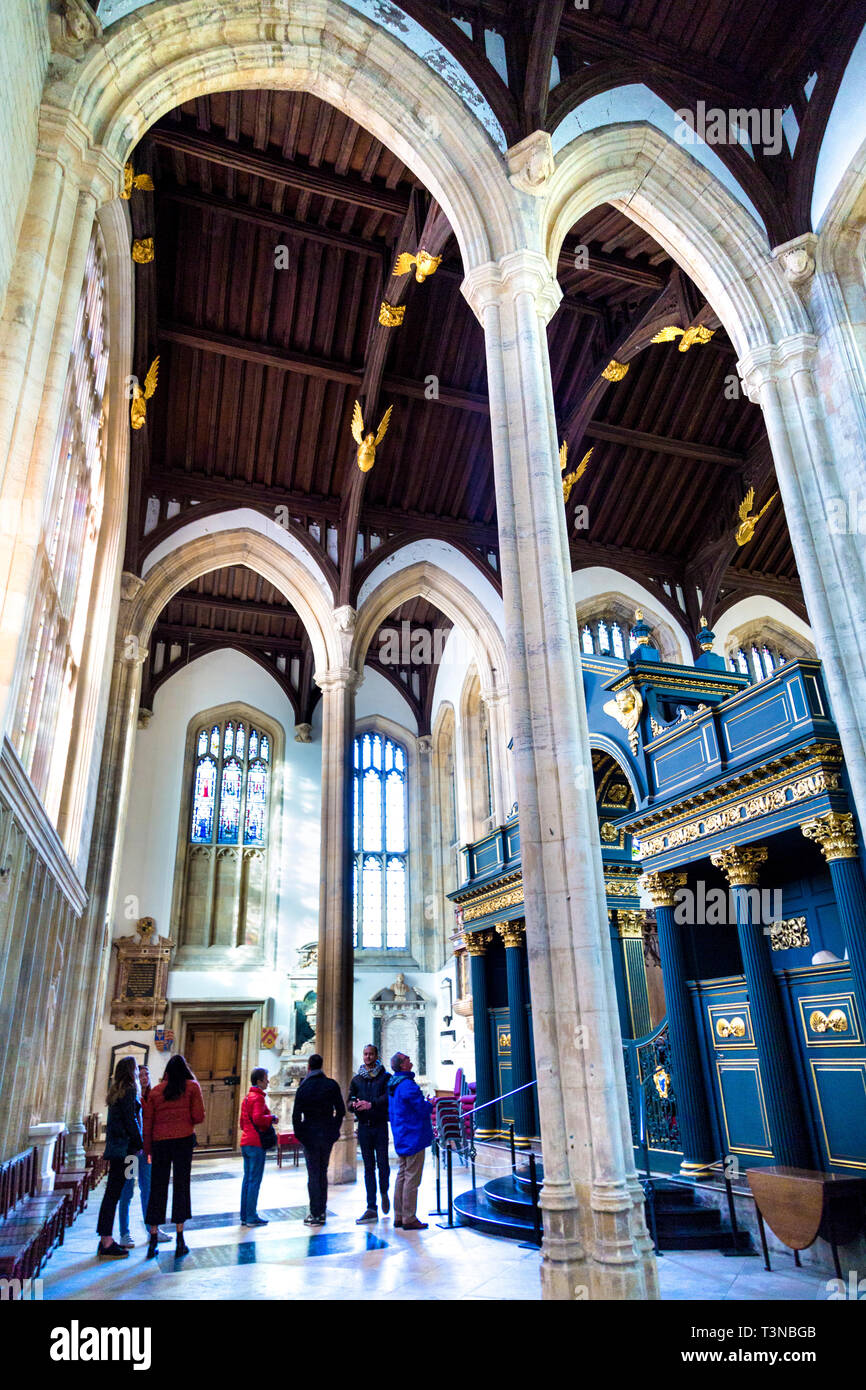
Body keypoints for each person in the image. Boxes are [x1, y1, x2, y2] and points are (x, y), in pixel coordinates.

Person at [143, 1054, 205, 1259]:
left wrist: (148, 1150)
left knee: (157, 1188)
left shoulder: (155, 1091)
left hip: (160, 1143)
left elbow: (148, 1123)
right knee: (181, 1186)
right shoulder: (192, 1087)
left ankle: (153, 1239)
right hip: (183, 1141)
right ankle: (180, 1238)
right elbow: (199, 1116)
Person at [95, 1056, 142, 1259]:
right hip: (126, 1150)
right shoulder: (130, 1089)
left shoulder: (117, 1091)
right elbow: (131, 1119)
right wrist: (140, 1142)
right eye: (137, 1069)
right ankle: (107, 1240)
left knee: (112, 1194)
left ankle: (106, 1237)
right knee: (117, 1192)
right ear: (131, 1072)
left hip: (117, 1149)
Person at [292, 1053, 345, 1226]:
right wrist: (334, 1129)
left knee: (313, 1174)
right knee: (322, 1172)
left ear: (309, 1066)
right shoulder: (331, 1085)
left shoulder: (304, 1087)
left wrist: (301, 1134)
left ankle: (315, 1213)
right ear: (322, 1066)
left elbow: (296, 1115)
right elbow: (341, 1111)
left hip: (310, 1136)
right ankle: (321, 1211)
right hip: (326, 1135)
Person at [387, 1052, 433, 1231]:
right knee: (412, 1178)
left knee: (402, 1175)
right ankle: (409, 1217)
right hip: (413, 1135)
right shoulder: (407, 1085)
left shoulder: (393, 1083)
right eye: (407, 1059)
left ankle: (398, 1215)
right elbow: (421, 1108)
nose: (410, 1061)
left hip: (401, 1134)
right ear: (402, 1065)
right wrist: (429, 1103)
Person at [347, 1044, 390, 1223]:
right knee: (368, 1167)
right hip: (364, 1127)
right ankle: (371, 1207)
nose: (368, 1057)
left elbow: (388, 1097)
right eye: (365, 1054)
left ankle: (384, 1191)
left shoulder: (385, 1077)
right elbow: (349, 1100)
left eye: (371, 1054)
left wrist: (371, 1104)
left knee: (383, 1163)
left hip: (379, 1126)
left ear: (376, 1055)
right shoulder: (357, 1080)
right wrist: (354, 1105)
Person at [239, 1067, 278, 1226]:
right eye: (266, 1078)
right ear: (259, 1080)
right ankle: (251, 1217)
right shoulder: (258, 1098)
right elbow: (258, 1119)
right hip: (256, 1144)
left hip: (246, 1142)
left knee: (247, 1180)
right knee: (255, 1180)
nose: (268, 1081)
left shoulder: (247, 1098)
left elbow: (243, 1123)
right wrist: (271, 1118)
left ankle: (244, 1215)